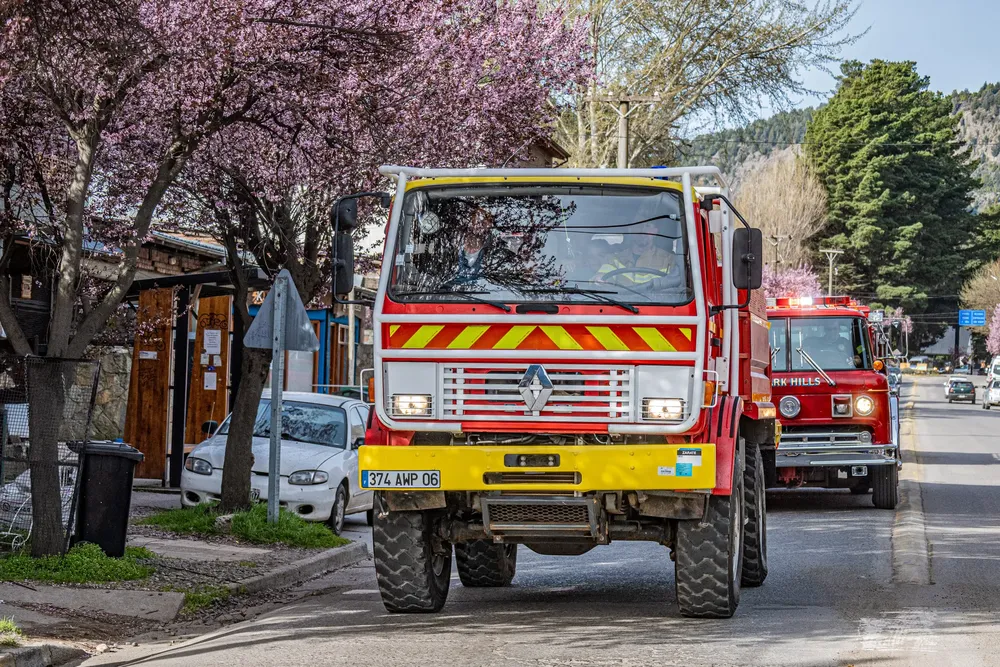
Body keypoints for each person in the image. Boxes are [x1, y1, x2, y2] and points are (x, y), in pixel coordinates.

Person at [595, 220, 677, 286]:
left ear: (655, 232)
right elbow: (601, 277)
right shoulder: (614, 259)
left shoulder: (669, 259)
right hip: (620, 304)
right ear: (630, 230)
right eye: (638, 225)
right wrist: (599, 279)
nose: (642, 230)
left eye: (648, 226)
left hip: (658, 305)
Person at [450, 206, 493, 286]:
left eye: (483, 223)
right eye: (475, 222)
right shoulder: (449, 249)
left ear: (488, 226)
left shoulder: (492, 257)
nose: (478, 226)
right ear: (469, 223)